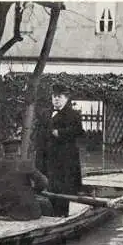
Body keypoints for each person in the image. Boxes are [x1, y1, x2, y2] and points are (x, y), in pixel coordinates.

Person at [36, 84, 84, 217]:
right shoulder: (45, 113)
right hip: (47, 156)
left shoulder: (73, 114)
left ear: (66, 99)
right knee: (48, 183)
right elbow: (39, 133)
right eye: (54, 97)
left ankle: (63, 214)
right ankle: (49, 213)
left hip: (64, 158)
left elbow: (79, 131)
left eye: (59, 97)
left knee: (64, 186)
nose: (56, 99)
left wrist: (61, 133)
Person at [0, 139, 53, 221]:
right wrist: (35, 191)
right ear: (18, 150)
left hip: (4, 210)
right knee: (46, 203)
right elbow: (44, 182)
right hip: (26, 211)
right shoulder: (25, 163)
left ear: (4, 150)